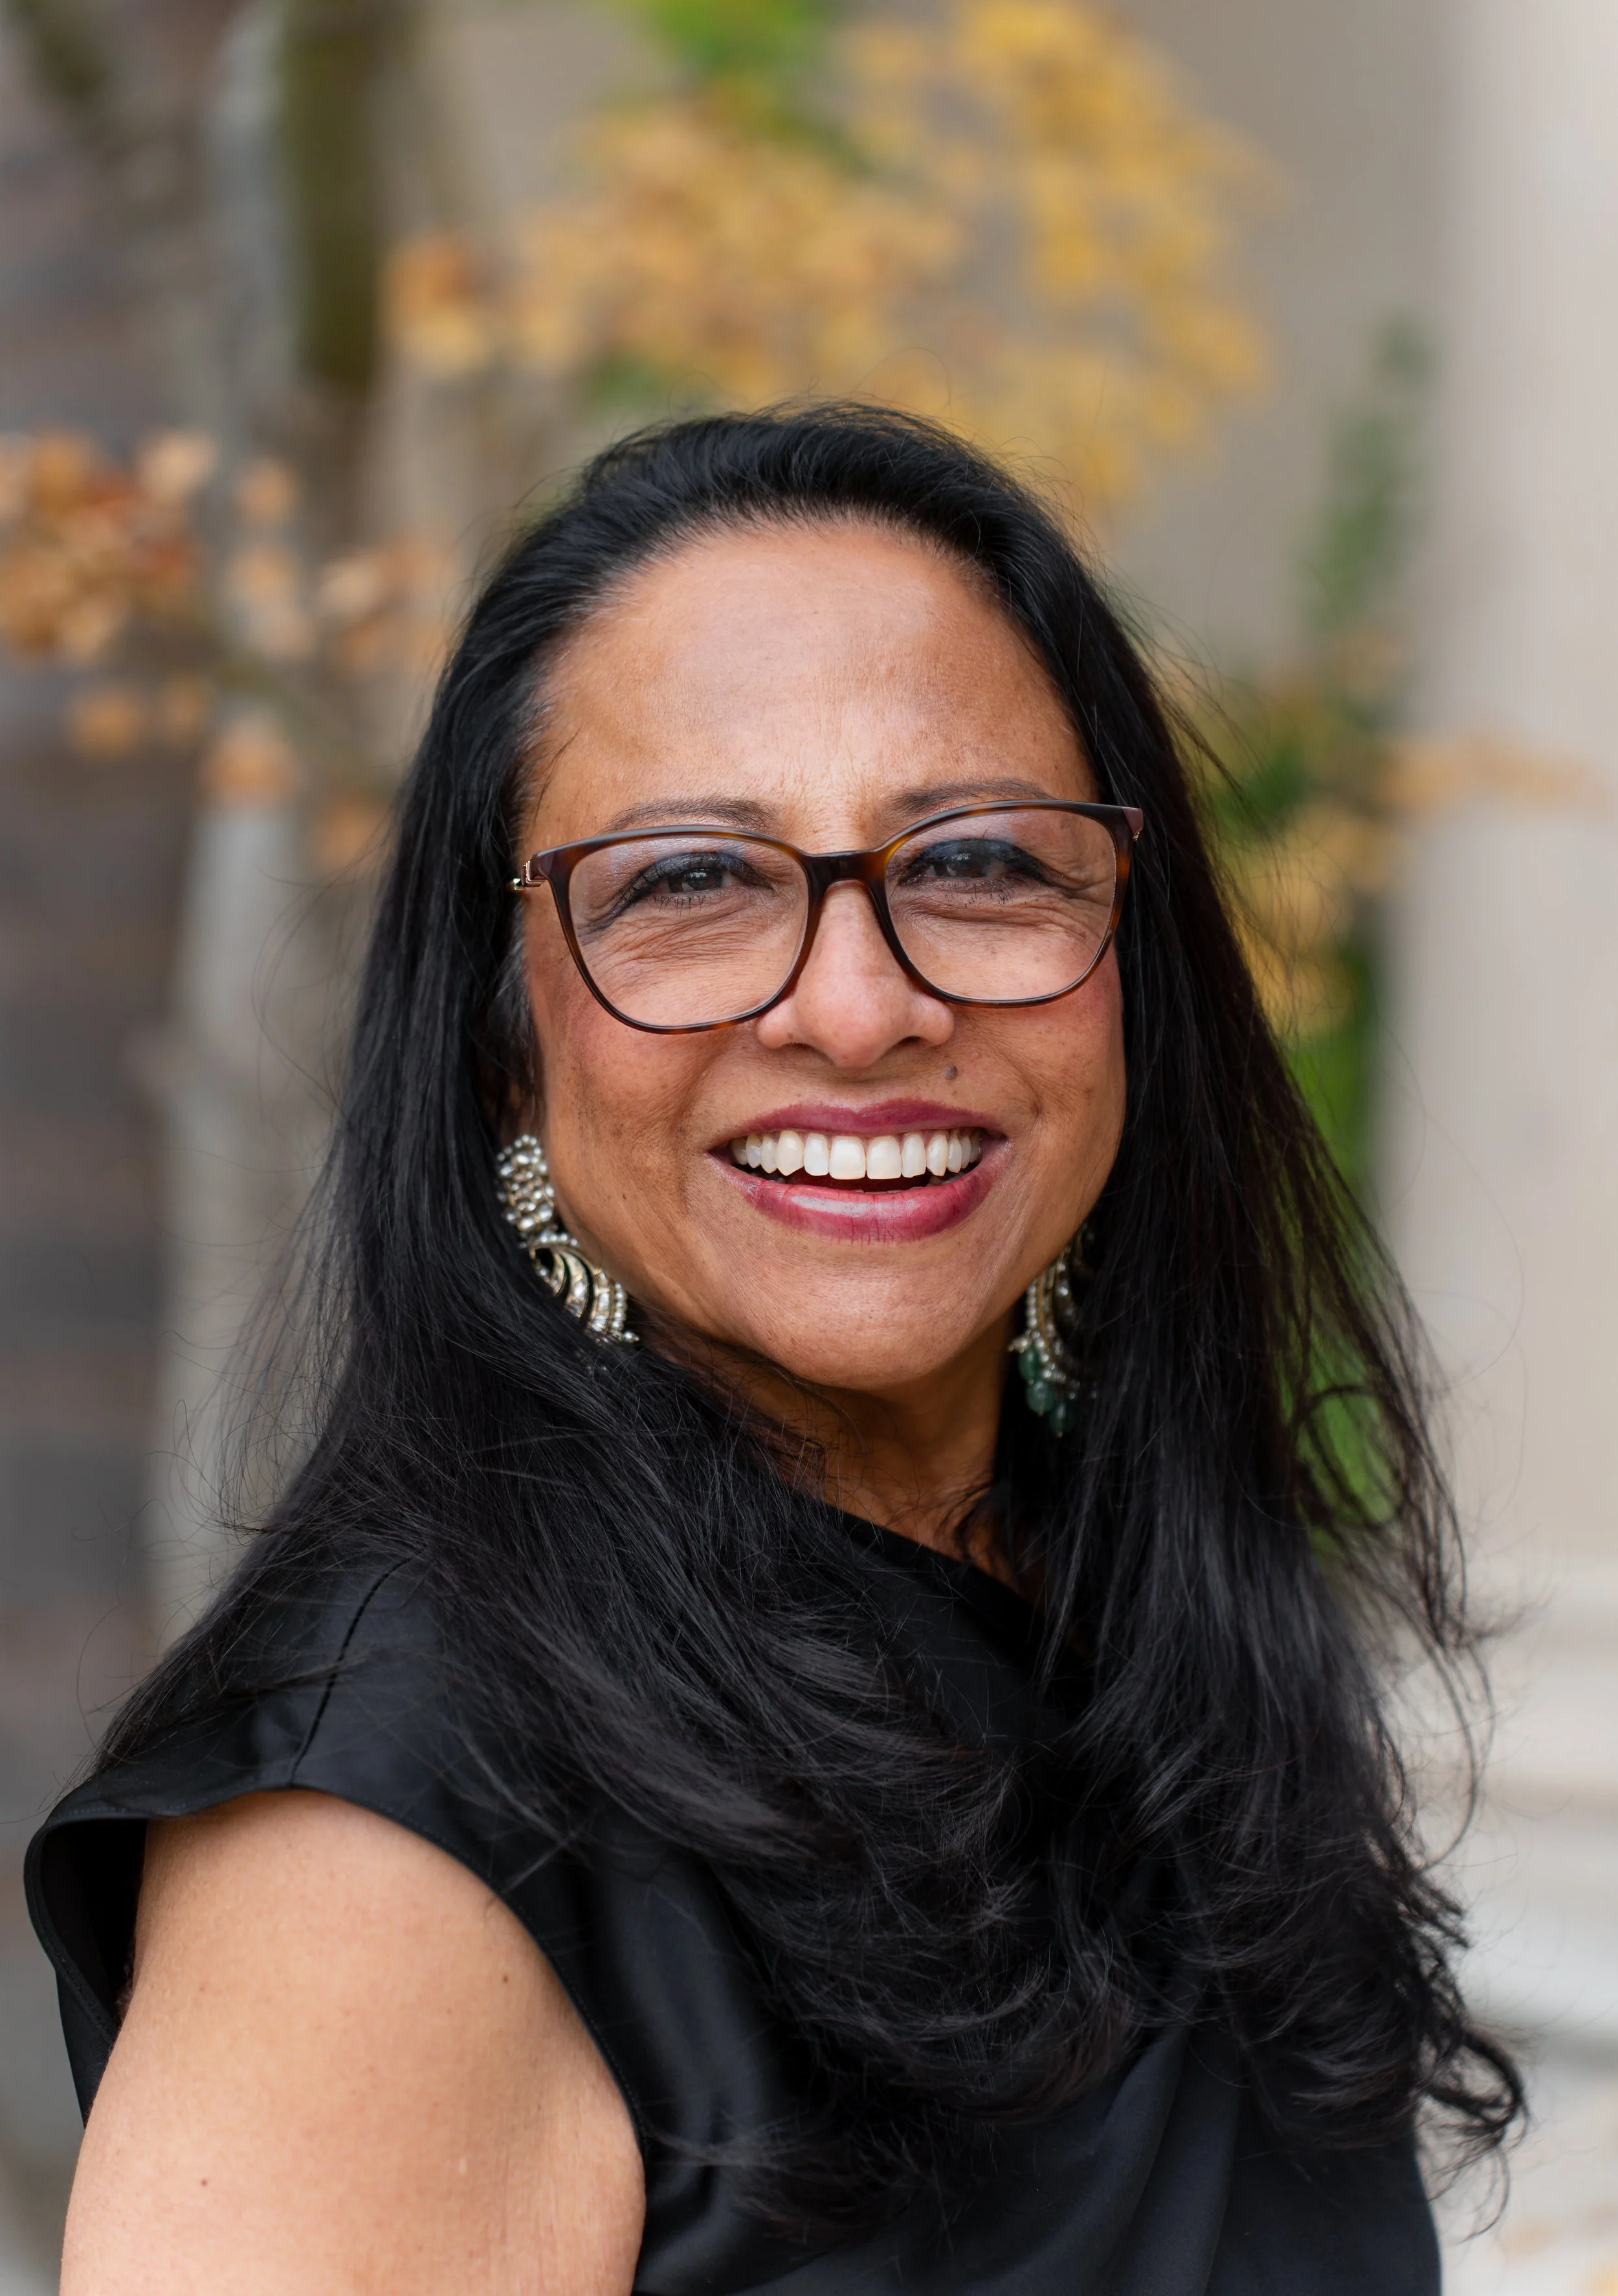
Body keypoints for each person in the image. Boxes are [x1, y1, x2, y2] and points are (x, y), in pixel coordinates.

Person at [28, 407, 1517, 2293]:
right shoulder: (392, 1830)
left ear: (1129, 957)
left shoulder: (1132, 1611)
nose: (858, 1005)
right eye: (687, 883)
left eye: (976, 858)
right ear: (503, 1038)